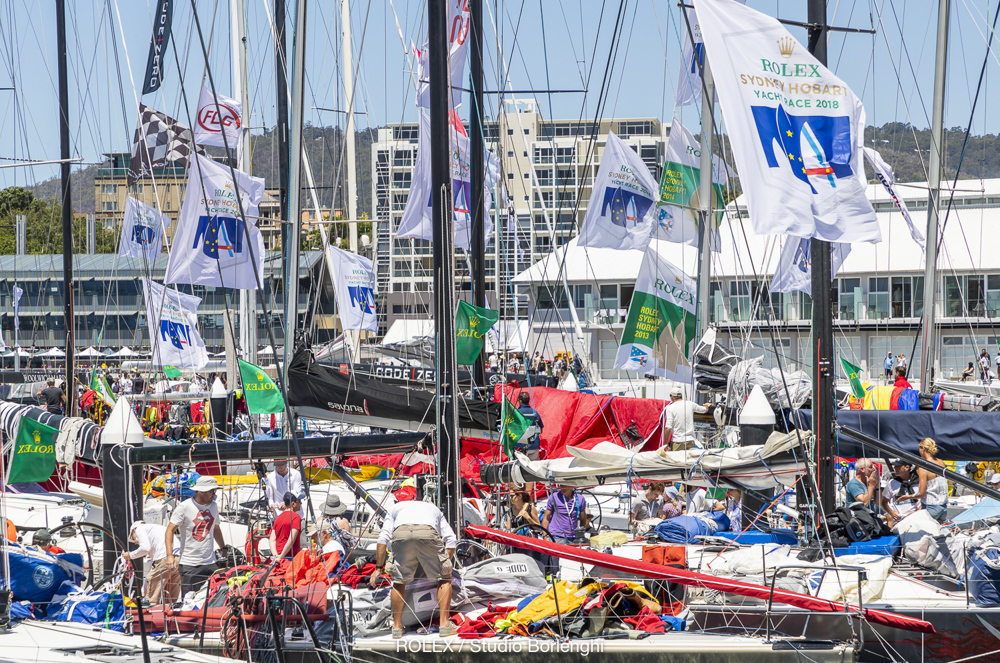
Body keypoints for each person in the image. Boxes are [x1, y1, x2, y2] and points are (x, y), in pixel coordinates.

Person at [373, 498, 457, 638]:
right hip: (427, 532)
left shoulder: (395, 508)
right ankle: (444, 625)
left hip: (401, 533)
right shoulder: (434, 509)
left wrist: (378, 568)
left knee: (399, 581)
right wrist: (443, 565)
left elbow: (382, 539)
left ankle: (397, 627)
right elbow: (451, 539)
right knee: (444, 577)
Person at [165, 476, 226, 597]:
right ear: (201, 491)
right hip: (190, 564)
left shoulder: (213, 506)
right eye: (212, 491)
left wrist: (224, 548)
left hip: (210, 561)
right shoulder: (184, 507)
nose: (214, 495)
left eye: (215, 491)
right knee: (189, 601)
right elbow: (170, 530)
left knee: (214, 598)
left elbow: (216, 528)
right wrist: (169, 555)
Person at [123, 520, 181, 605]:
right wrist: (143, 592)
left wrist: (130, 555)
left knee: (152, 600)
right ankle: (170, 616)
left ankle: (150, 615)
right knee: (171, 600)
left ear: (134, 530)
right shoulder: (156, 531)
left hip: (164, 558)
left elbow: (145, 548)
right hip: (178, 558)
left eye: (133, 538)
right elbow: (150, 573)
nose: (135, 542)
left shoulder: (139, 528)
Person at [897, 438, 949, 523]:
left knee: (915, 526)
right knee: (937, 533)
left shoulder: (923, 468)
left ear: (923, 449)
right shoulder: (941, 462)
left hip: (931, 506)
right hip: (943, 507)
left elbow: (921, 494)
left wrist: (907, 497)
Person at [845, 459, 899, 526]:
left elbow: (878, 502)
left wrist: (877, 486)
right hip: (857, 522)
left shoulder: (870, 482)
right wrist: (871, 485)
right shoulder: (853, 484)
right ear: (862, 469)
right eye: (871, 467)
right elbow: (864, 503)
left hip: (869, 520)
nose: (873, 470)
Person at [661, 386, 712, 451]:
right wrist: (707, 405)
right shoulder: (690, 404)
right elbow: (704, 410)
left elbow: (668, 428)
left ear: (673, 396)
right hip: (690, 441)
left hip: (677, 441)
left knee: (676, 460)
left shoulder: (670, 408)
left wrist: (666, 444)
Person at [270, 492, 303, 560]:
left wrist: (276, 555)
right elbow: (291, 539)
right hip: (290, 557)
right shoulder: (296, 517)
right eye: (299, 501)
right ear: (293, 504)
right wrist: (282, 556)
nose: (301, 503)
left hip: (277, 555)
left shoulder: (278, 518)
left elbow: (272, 540)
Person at [516, 391, 544, 460]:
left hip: (520, 447)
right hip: (534, 446)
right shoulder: (535, 413)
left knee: (519, 468)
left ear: (520, 401)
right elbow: (541, 431)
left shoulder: (516, 413)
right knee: (534, 468)